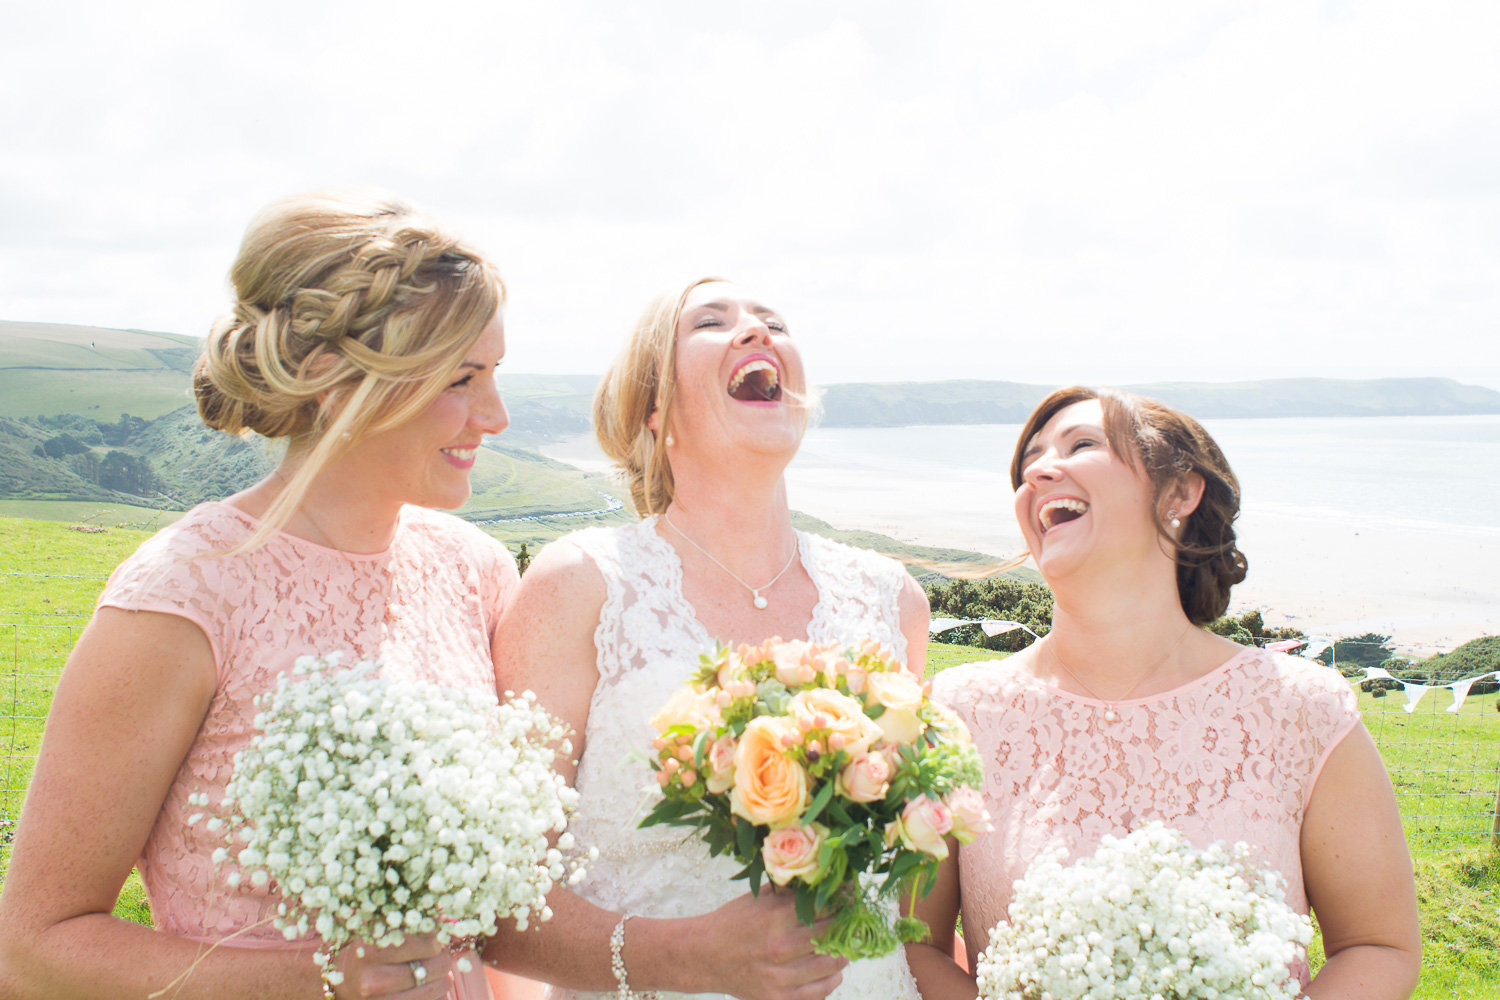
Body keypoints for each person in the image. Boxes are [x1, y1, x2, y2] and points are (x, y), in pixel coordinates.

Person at [0, 190, 517, 1000]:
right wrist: (326, 980)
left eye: (495, 374)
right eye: (462, 379)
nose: (496, 415)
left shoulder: (477, 570)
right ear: (331, 381)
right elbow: (33, 952)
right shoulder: (183, 593)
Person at [485, 278, 931, 1000]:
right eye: (712, 323)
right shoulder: (583, 585)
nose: (757, 332)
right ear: (656, 411)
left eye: (773, 322)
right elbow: (499, 902)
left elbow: (914, 890)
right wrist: (679, 958)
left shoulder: (893, 600)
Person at [907, 386, 1422, 999]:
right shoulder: (954, 715)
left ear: (1179, 492)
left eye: (1081, 444)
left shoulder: (1302, 711)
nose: (1039, 472)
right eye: (1028, 464)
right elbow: (913, 948)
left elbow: (1377, 946)